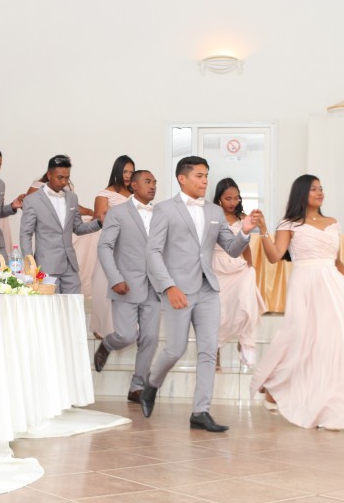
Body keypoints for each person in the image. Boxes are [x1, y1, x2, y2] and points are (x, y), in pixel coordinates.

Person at [251, 175, 344, 429]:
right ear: (301, 193)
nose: (320, 192)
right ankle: (273, 386)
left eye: (321, 188)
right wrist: (264, 227)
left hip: (333, 283)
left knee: (333, 341)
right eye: (314, 189)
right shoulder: (289, 224)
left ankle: (328, 404)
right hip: (305, 283)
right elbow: (274, 256)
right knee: (299, 336)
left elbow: (337, 260)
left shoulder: (333, 222)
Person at [140, 156, 260, 433]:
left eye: (207, 175)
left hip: (208, 288)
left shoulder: (215, 213)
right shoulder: (164, 210)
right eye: (199, 176)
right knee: (175, 349)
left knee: (208, 350)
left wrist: (244, 231)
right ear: (182, 178)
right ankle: (152, 384)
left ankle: (200, 411)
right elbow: (153, 252)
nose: (205, 181)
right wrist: (169, 287)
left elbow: (231, 248)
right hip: (178, 290)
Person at [93, 170, 161, 403]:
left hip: (155, 285)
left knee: (150, 337)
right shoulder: (118, 213)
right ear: (133, 185)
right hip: (126, 284)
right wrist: (115, 278)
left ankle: (137, 387)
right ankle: (108, 343)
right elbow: (104, 247)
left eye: (154, 182)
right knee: (126, 334)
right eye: (147, 181)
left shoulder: (161, 213)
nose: (152, 186)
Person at [20, 155, 102, 294]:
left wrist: (99, 223)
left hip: (70, 265)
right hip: (46, 266)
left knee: (73, 307)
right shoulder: (32, 200)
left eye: (67, 177)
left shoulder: (72, 198)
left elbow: (78, 228)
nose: (64, 182)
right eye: (60, 177)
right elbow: (25, 234)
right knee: (51, 310)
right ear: (49, 174)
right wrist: (30, 265)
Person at [211, 178, 265, 368]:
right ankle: (215, 350)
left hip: (237, 265)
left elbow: (245, 246)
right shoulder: (212, 216)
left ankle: (245, 341)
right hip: (217, 266)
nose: (233, 202)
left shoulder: (243, 218)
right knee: (220, 311)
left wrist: (249, 264)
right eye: (228, 198)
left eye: (236, 198)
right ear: (219, 199)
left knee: (245, 300)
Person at [90, 155, 135, 339]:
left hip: (132, 248)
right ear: (117, 171)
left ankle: (128, 328)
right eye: (125, 171)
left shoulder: (135, 195)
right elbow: (99, 218)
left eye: (132, 172)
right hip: (111, 245)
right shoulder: (104, 194)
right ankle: (105, 330)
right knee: (104, 286)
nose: (128, 175)